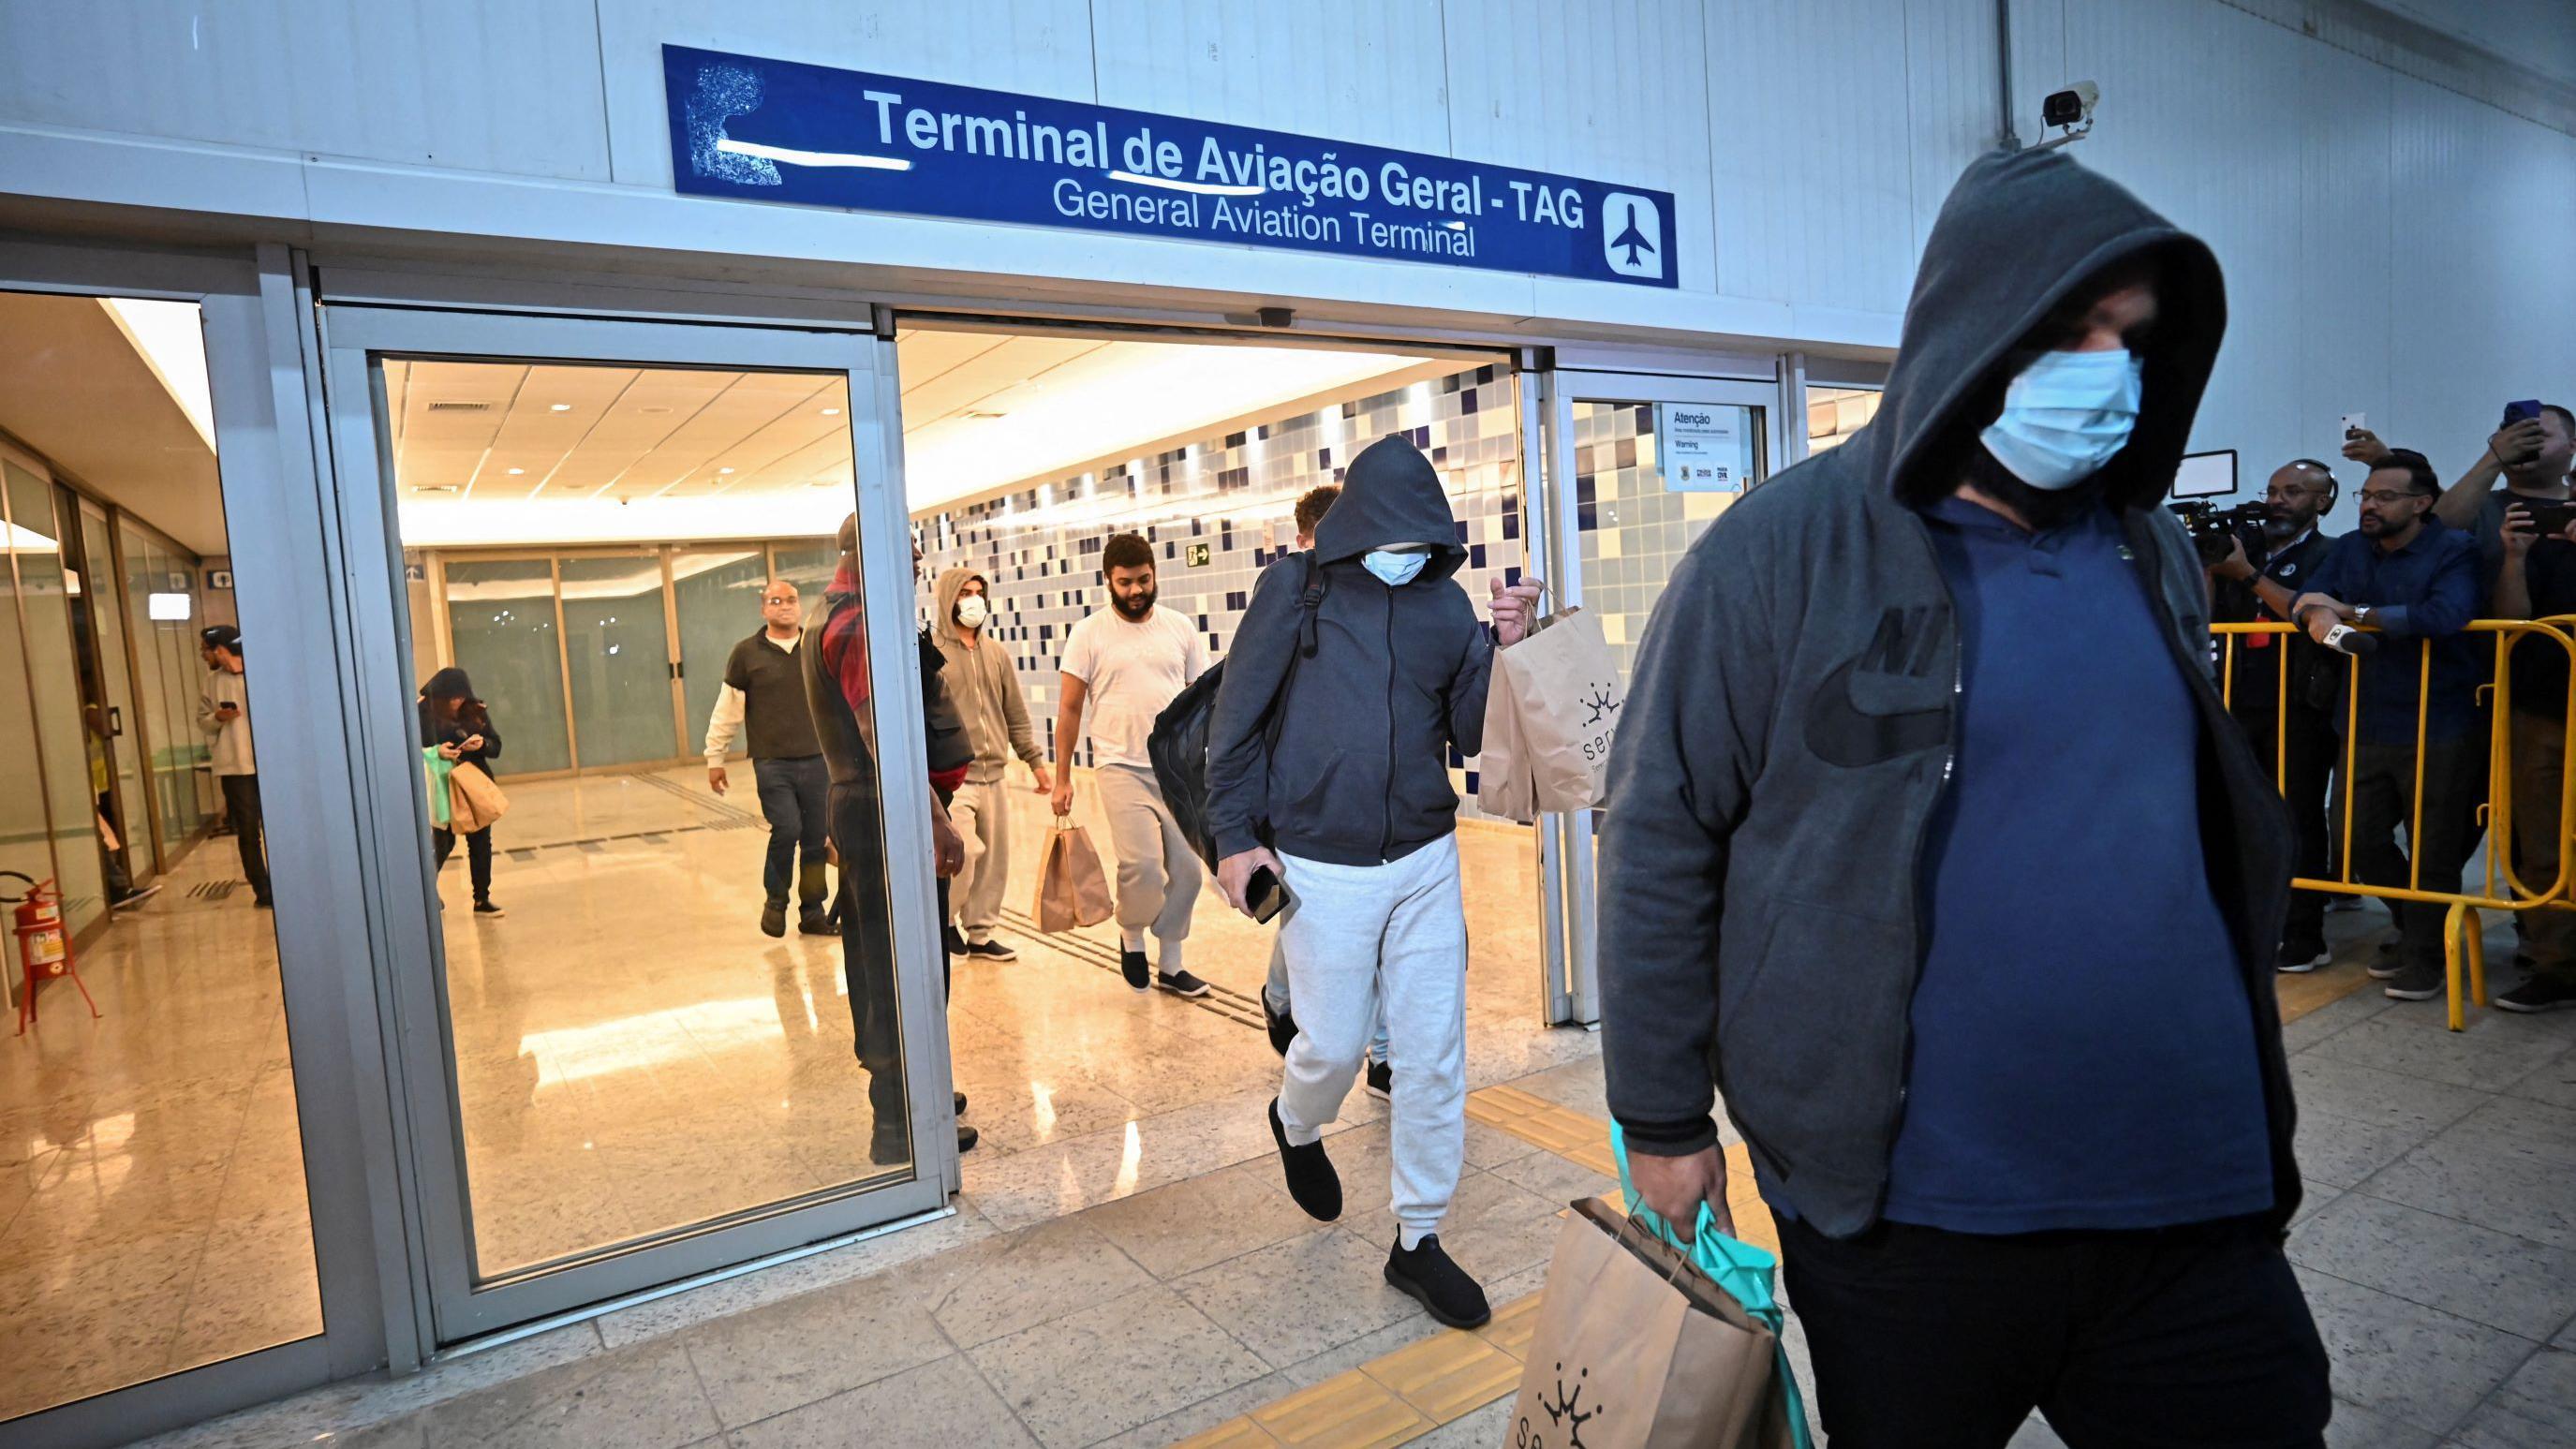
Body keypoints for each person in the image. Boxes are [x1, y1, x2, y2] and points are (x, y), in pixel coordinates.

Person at [1598, 150, 2327, 1448]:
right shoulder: (1779, 551)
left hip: (2186, 1195)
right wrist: (1659, 1112)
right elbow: (1660, 826)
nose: (2104, 363)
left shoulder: (2149, 546)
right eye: (2068, 324)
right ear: (1970, 318)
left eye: (2131, 336)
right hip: (1908, 1216)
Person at [1207, 435, 1543, 1331]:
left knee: (1432, 1053)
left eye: (1420, 537)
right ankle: (1296, 1118)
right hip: (1323, 863)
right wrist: (1235, 839)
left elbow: (1473, 736)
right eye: (1391, 534)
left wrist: (1506, 648)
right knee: (1335, 1042)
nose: (1406, 551)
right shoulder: (1296, 588)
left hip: (1427, 858)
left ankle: (1418, 1239)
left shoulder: (1444, 607)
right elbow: (1234, 726)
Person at [807, 517, 978, 1161]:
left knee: (916, 957)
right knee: (891, 964)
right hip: (886, 810)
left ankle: (922, 1085)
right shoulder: (855, 625)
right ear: (865, 552)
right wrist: (933, 817)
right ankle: (896, 1121)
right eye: (905, 551)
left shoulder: (857, 613)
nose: (913, 564)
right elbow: (882, 737)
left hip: (879, 806)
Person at [2290, 449, 2484, 1002]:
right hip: (2363, 717)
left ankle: (2427, 956)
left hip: (2438, 720)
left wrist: (2351, 612)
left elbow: (2446, 615)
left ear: (2423, 504)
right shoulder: (2352, 548)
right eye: (2366, 496)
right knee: (2355, 842)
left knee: (2433, 848)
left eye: (2385, 497)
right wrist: (2318, 613)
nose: (2370, 506)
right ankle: (2418, 926)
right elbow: (2309, 600)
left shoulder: (2454, 548)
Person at [1254, 483, 1392, 1101]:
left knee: (1389, 933)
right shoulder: (1284, 597)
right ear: (1307, 539)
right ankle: (1281, 996)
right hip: (1306, 801)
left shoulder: (1385, 594)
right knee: (1306, 918)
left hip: (1383, 804)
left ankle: (1387, 1057)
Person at [1052, 532, 1212, 996]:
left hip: (1176, 770)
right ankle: (1131, 933)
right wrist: (1062, 777)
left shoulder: (1179, 628)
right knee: (1142, 866)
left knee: (1187, 870)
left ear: (1154, 574)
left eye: (1143, 579)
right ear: (1108, 581)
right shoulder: (1088, 634)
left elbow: (1200, 700)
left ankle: (1172, 962)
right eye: (1125, 583)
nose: (1136, 590)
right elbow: (1068, 709)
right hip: (1120, 767)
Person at [2207, 460, 2343, 969]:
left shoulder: (2332, 553)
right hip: (2237, 699)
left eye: (2293, 491)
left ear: (2322, 501)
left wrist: (2246, 574)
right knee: (2242, 815)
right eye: (2272, 491)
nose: (2278, 500)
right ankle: (2250, 916)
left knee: (2297, 816)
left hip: (2299, 705)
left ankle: (2305, 931)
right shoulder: (2243, 547)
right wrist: (2210, 566)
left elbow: (2302, 610)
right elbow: (2207, 615)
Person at [2480, 496, 2576, 1013]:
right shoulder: (2543, 546)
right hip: (2542, 707)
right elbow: (2512, 618)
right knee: (2543, 846)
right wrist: (2515, 556)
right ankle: (2556, 965)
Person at [930, 564, 1049, 962]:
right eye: (964, 592)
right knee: (965, 852)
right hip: (954, 777)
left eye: (978, 591)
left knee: (995, 859)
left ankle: (981, 932)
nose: (973, 600)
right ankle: (946, 923)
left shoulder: (996, 653)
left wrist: (1034, 761)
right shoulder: (931, 653)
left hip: (994, 773)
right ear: (948, 598)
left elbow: (1013, 711)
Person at [705, 579, 832, 939]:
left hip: (818, 760)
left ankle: (813, 910)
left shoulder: (815, 647)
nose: (785, 606)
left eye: (791, 599)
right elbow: (727, 710)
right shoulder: (746, 654)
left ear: (800, 606)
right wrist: (716, 757)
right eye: (775, 601)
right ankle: (776, 901)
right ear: (764, 609)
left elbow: (835, 704)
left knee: (814, 838)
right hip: (772, 762)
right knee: (787, 828)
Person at [2347, 404, 2576, 585]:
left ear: (2572, 445)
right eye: (2512, 436)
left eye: (2537, 435)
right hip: (2490, 642)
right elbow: (2438, 525)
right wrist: (2494, 457)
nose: (2523, 444)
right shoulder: (2479, 506)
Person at [419, 668, 505, 917]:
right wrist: (437, 750)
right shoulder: (423, 711)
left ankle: (482, 898)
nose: (457, 702)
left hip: (472, 785)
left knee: (480, 842)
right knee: (442, 842)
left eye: (461, 697)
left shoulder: (476, 711)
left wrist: (482, 744)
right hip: (441, 786)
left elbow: (496, 745)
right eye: (452, 697)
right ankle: (426, 892)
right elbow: (411, 745)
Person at [196, 625, 270, 909]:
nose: (203, 655)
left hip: (267, 765)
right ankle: (263, 890)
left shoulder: (260, 674)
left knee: (278, 828)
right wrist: (217, 716)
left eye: (205, 649)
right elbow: (202, 720)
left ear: (220, 649)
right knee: (248, 831)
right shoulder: (211, 682)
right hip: (233, 767)